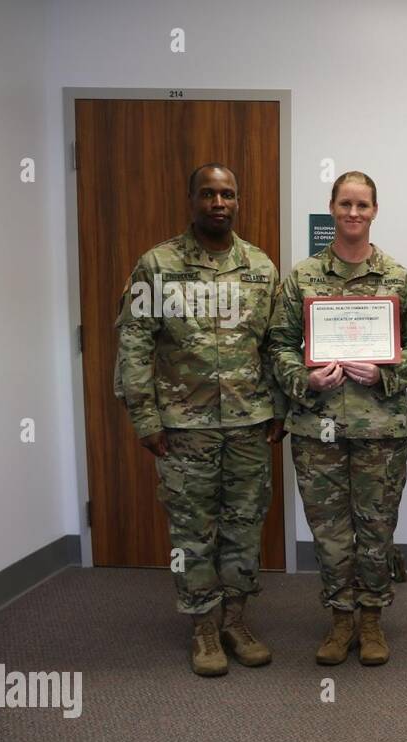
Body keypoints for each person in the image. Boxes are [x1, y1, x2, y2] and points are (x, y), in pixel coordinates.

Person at [114, 163, 285, 677]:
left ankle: (235, 619)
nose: (218, 203)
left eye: (227, 194)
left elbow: (276, 343)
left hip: (250, 423)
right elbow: (134, 342)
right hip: (184, 426)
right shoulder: (157, 265)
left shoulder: (260, 267)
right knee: (192, 529)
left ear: (239, 201)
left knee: (245, 526)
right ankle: (204, 627)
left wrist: (279, 405)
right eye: (208, 194)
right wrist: (144, 417)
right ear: (191, 199)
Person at [270, 171, 407, 666]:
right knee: (329, 530)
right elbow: (277, 345)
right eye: (345, 204)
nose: (353, 213)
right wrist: (305, 378)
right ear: (333, 207)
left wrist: (386, 370)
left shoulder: (398, 279)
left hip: (380, 427)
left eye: (362, 205)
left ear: (374, 211)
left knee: (376, 527)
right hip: (316, 424)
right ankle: (340, 619)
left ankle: (371, 618)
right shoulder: (301, 278)